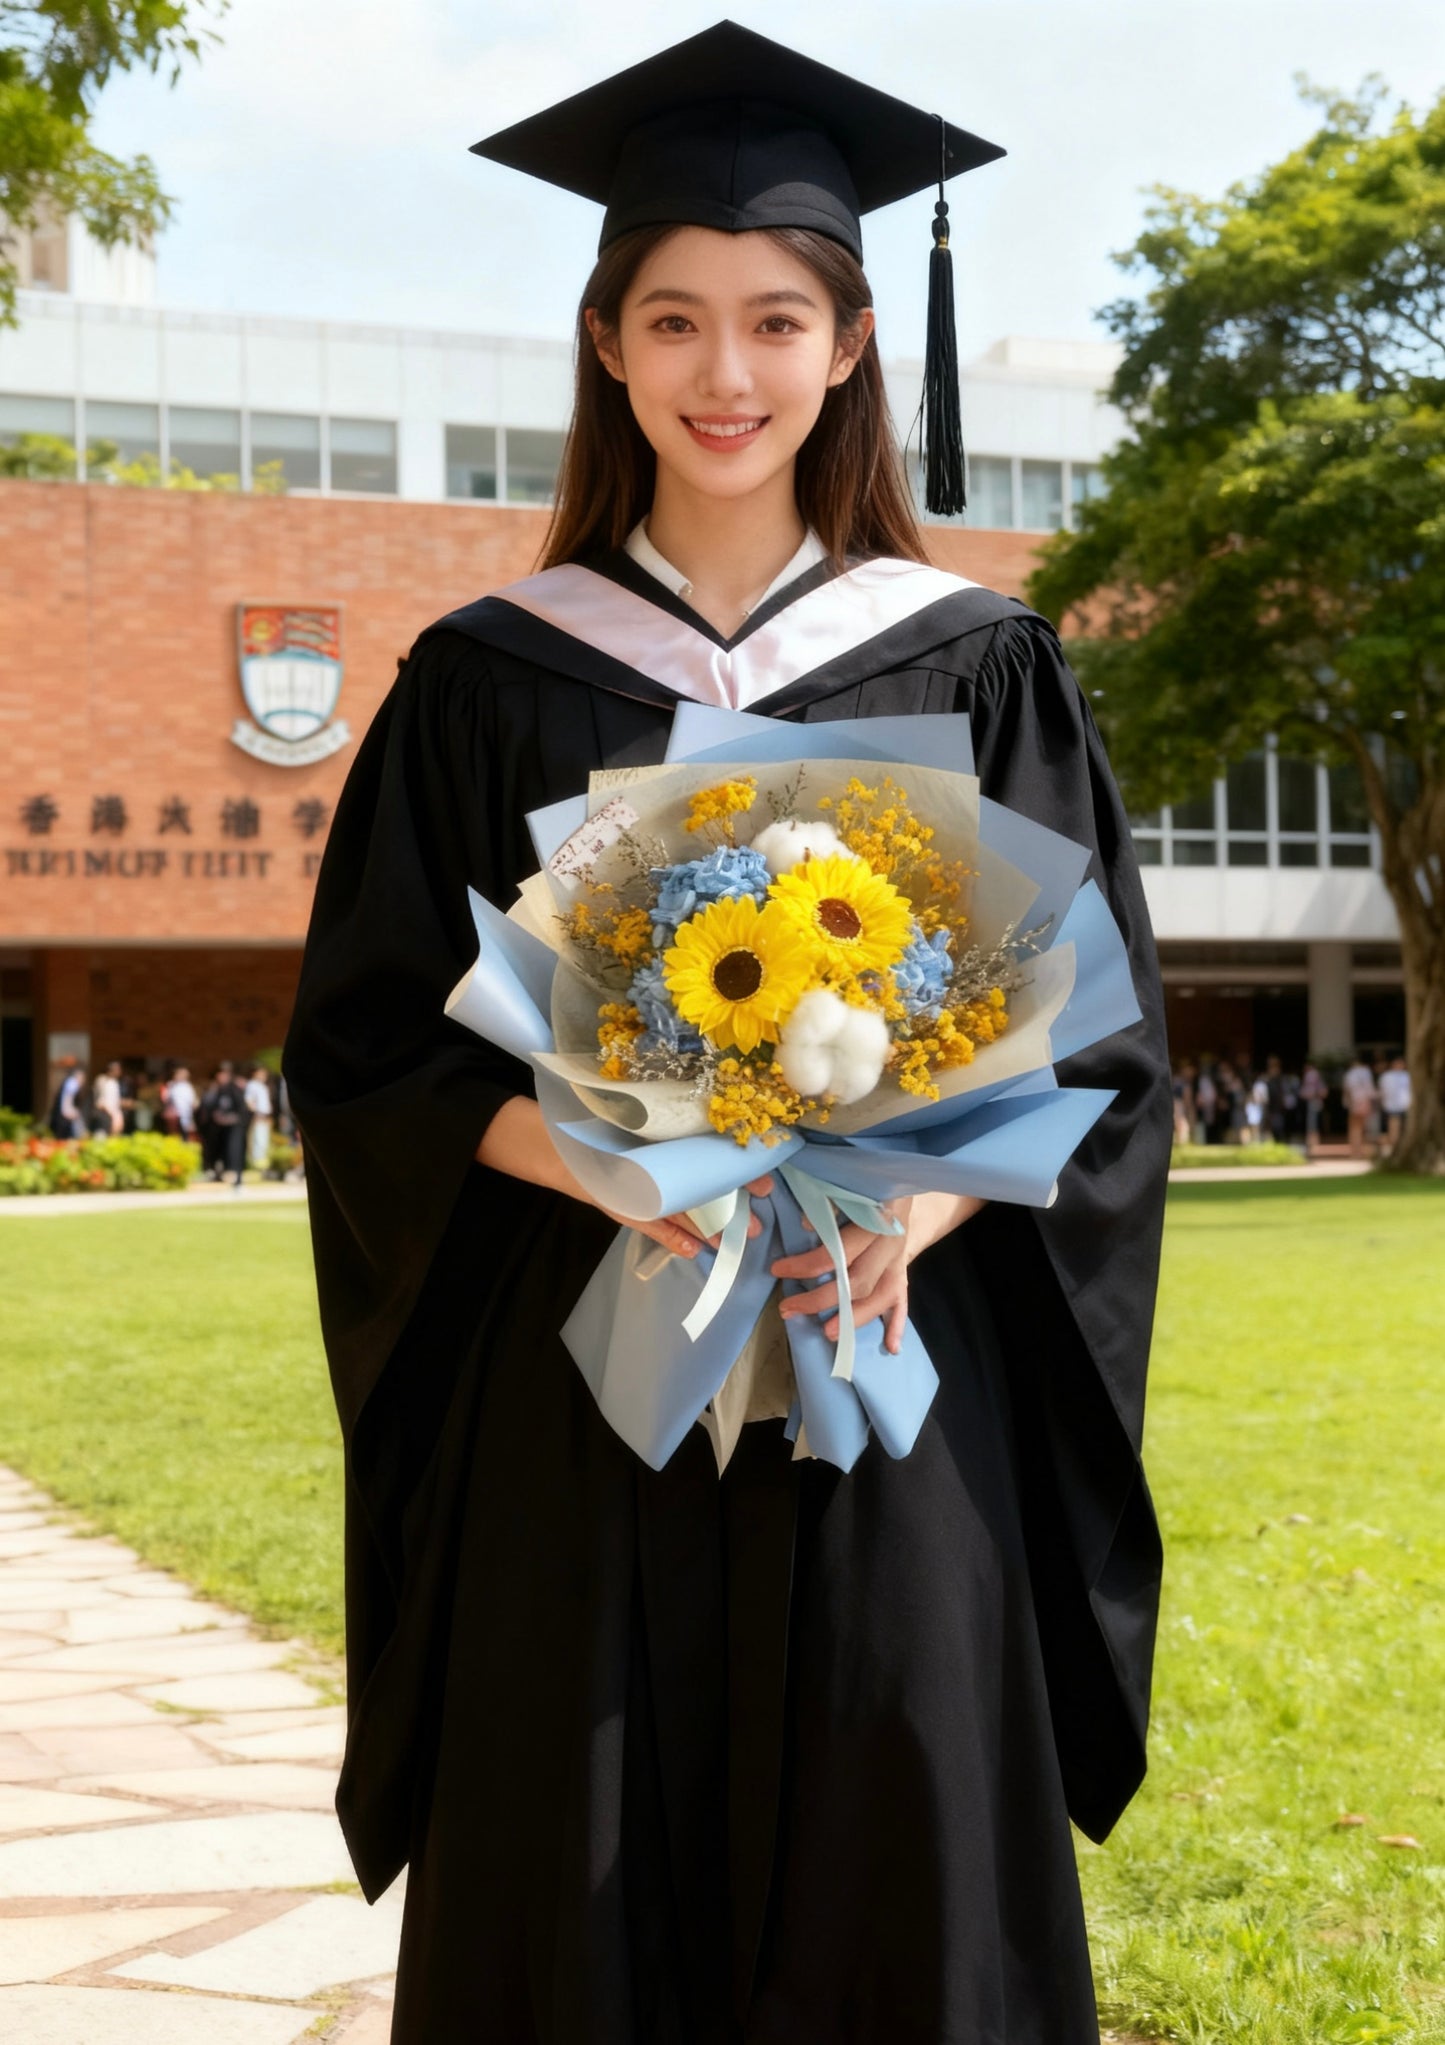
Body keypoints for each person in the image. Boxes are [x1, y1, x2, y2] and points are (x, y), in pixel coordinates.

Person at [284, 26, 1173, 2041]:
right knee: (573, 1866)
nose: (723, 371)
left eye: (775, 317)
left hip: (890, 1375)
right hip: (586, 1378)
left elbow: (1096, 1056)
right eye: (671, 317)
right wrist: (594, 1152)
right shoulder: (482, 680)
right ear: (603, 342)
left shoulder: (969, 660)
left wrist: (919, 1212)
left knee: (900, 1827)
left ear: (850, 343)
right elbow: (361, 1057)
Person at [200, 1062, 247, 1185]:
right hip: (218, 1128)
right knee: (217, 1151)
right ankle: (217, 1173)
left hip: (234, 1128)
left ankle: (237, 1177)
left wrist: (231, 1118)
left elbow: (242, 1110)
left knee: (234, 1151)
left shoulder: (235, 1089)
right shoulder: (215, 1090)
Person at [1342, 1050, 1379, 1160]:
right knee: (1363, 1127)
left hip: (1354, 1101)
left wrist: (1347, 1103)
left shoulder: (1350, 1073)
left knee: (1353, 1127)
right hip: (1365, 1101)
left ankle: (1354, 1152)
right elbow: (1369, 1089)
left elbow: (1347, 1090)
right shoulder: (1366, 1072)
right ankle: (1361, 1151)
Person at [1379, 1053, 1411, 1155]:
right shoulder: (1386, 1076)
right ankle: (1394, 1149)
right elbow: (1383, 1091)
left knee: (1404, 1129)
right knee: (1392, 1129)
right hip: (1391, 1106)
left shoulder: (1407, 1076)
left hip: (1405, 1106)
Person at [47, 1059, 86, 1140]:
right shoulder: (72, 1084)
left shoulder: (69, 1082)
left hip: (64, 1117)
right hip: (64, 1119)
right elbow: (66, 1105)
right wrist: (72, 1113)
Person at [244, 1065, 274, 1172]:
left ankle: (263, 1164)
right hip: (258, 1116)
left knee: (264, 1141)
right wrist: (255, 1113)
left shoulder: (263, 1086)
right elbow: (249, 1101)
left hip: (265, 1116)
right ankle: (256, 1165)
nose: (263, 1076)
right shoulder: (252, 1085)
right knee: (257, 1141)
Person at [1300, 1059, 1328, 1155]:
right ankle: (1314, 1144)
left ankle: (1313, 1145)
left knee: (1312, 1122)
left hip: (1313, 1101)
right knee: (1313, 1122)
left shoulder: (1311, 1074)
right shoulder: (1316, 1074)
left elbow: (1310, 1090)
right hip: (1315, 1100)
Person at [168, 1065, 198, 1143]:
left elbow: (193, 1102)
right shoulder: (171, 1085)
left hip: (185, 1115)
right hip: (173, 1115)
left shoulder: (187, 1087)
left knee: (184, 1134)